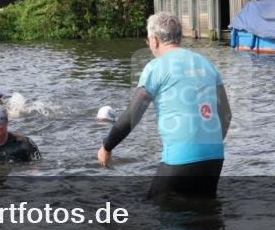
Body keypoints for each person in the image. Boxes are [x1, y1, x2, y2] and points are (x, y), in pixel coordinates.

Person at [97, 12, 232, 199]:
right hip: (215, 157)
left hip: (180, 158)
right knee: (205, 216)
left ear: (154, 40)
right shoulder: (207, 64)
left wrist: (107, 147)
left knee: (159, 212)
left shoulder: (155, 67)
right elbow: (226, 115)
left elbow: (131, 117)